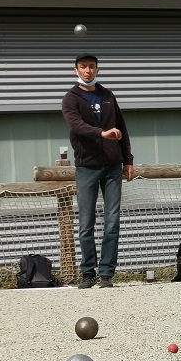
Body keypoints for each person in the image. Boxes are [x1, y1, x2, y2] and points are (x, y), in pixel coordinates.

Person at [62, 54, 134, 289]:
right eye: (83, 67)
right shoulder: (71, 99)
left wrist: (128, 160)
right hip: (87, 167)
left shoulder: (107, 96)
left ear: (97, 70)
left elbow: (122, 127)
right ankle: (87, 273)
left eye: (91, 67)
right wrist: (101, 133)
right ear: (76, 71)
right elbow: (77, 125)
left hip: (113, 167)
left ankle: (106, 274)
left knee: (112, 222)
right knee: (86, 222)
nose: (87, 71)